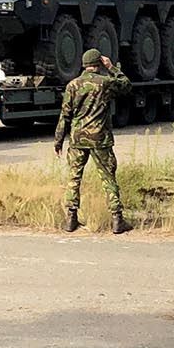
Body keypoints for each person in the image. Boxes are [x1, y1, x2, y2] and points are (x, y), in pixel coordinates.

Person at [54, 48, 130, 234]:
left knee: (74, 177)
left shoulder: (72, 85)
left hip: (78, 139)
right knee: (108, 177)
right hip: (100, 139)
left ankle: (70, 219)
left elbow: (65, 115)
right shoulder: (105, 83)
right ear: (99, 64)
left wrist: (58, 140)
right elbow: (126, 85)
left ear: (84, 64)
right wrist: (112, 67)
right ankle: (117, 220)